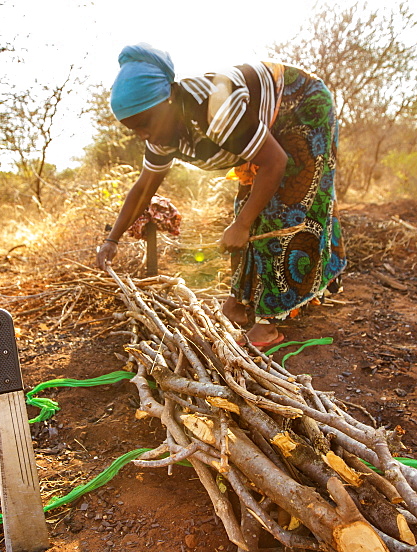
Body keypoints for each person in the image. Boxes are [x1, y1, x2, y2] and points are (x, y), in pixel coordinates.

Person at [96, 44, 346, 348]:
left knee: (285, 208)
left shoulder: (214, 107)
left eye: (146, 122)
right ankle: (239, 304)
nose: (143, 135)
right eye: (134, 129)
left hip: (301, 105)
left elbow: (275, 162)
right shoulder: (161, 134)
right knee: (248, 205)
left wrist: (241, 225)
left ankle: (269, 324)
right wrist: (113, 240)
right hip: (267, 128)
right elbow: (143, 189)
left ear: (169, 99)